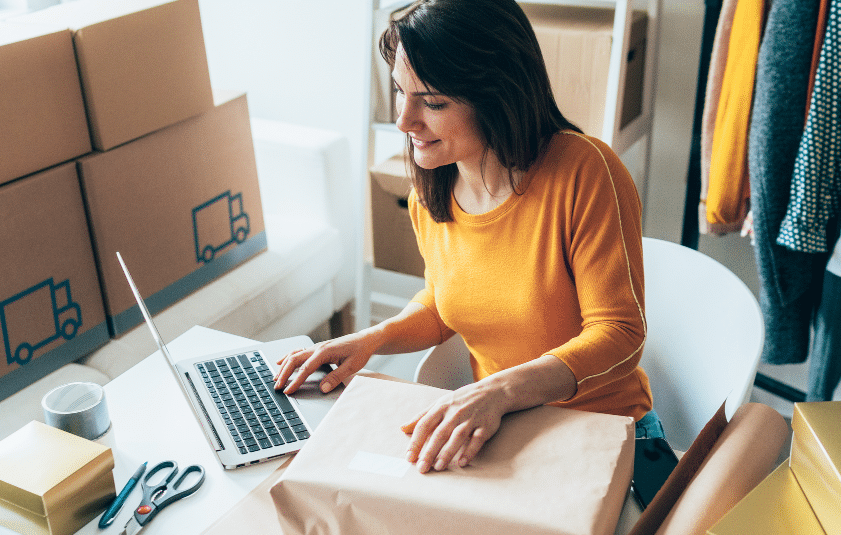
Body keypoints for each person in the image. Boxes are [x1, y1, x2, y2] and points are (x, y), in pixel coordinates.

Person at [275, 0, 652, 474]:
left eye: (432, 102)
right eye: (400, 91)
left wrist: (496, 391)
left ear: (498, 96)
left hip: (600, 432)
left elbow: (620, 333)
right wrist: (369, 340)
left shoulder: (585, 172)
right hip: (502, 429)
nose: (404, 120)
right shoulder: (429, 193)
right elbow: (443, 303)